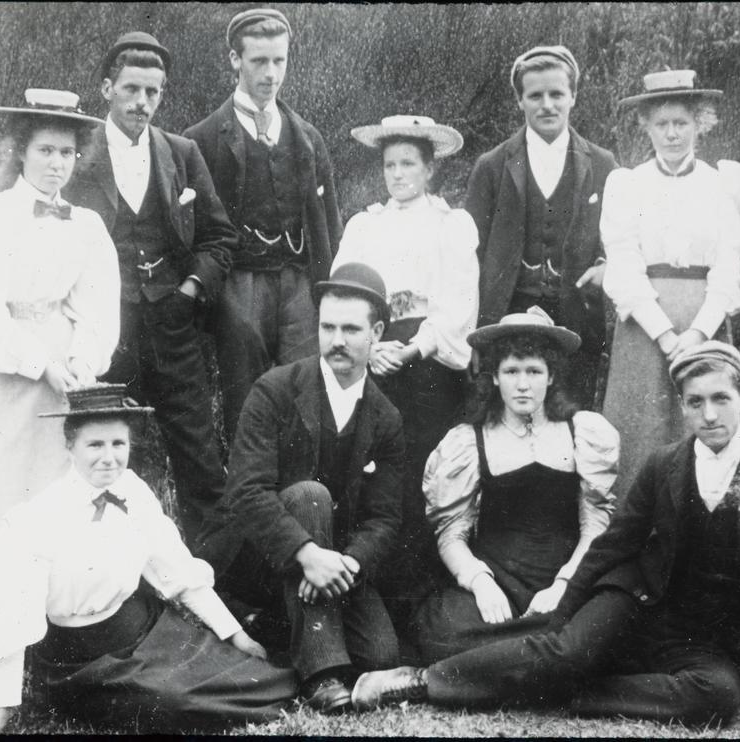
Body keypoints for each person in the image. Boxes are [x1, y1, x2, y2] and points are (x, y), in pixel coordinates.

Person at [351, 342, 740, 724]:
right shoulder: (666, 465)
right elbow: (615, 544)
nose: (709, 414)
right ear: (682, 407)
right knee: (562, 652)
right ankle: (422, 682)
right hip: (640, 600)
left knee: (716, 698)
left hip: (715, 633)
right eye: (695, 403)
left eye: (721, 398)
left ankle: (577, 696)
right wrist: (566, 610)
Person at [0, 89, 119, 700]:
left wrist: (82, 364)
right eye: (45, 150)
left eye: (67, 152)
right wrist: (37, 360)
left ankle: (28, 667)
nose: (57, 163)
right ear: (20, 152)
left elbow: (97, 311)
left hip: (59, 390)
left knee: (46, 513)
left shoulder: (86, 227)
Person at [0, 384, 297, 734]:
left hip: (145, 631)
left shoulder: (133, 490)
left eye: (118, 444)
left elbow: (177, 571)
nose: (109, 458)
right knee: (172, 703)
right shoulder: (37, 517)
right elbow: (12, 617)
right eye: (95, 445)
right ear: (69, 447)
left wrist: (235, 635)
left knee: (253, 674)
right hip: (77, 660)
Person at [194, 263, 404, 714]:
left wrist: (345, 563)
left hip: (335, 562)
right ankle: (322, 674)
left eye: (351, 329)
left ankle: (272, 626)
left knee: (380, 656)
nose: (337, 341)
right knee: (310, 495)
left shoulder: (385, 417)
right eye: (327, 327)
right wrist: (308, 555)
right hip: (259, 557)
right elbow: (247, 491)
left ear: (377, 332)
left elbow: (384, 517)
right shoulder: (275, 389)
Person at [64, 32, 238, 544]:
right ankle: (121, 590)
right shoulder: (78, 156)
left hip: (173, 327)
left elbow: (220, 237)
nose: (142, 103)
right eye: (132, 90)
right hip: (107, 339)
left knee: (202, 464)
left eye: (153, 93)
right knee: (107, 465)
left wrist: (188, 291)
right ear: (106, 88)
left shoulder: (180, 153)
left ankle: (219, 589)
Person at [335, 114, 479, 627]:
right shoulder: (365, 225)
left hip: (430, 364)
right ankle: (371, 593)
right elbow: (346, 294)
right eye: (390, 164)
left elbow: (459, 303)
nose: (398, 174)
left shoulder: (450, 224)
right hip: (375, 357)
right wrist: (369, 347)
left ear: (429, 169)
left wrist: (414, 348)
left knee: (423, 472)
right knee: (376, 473)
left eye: (409, 164)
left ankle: (423, 601)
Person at [413, 307, 619, 663]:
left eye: (534, 372)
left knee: (604, 620)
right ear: (494, 377)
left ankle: (497, 661)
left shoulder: (582, 431)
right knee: (444, 629)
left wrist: (563, 586)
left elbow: (595, 526)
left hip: (564, 581)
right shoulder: (469, 441)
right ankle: (547, 654)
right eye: (511, 371)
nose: (523, 384)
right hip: (498, 584)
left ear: (552, 376)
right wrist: (481, 584)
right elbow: (451, 534)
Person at [184, 7, 342, 442]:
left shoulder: (307, 137)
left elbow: (329, 224)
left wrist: (326, 287)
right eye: (259, 61)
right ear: (235, 60)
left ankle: (301, 495)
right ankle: (247, 496)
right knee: (246, 396)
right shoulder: (201, 139)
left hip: (297, 282)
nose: (271, 74)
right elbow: (192, 230)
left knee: (305, 388)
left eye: (279, 61)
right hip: (239, 282)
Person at [600, 69, 740, 497]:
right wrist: (665, 336)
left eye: (681, 123)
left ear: (699, 123)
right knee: (641, 434)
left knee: (703, 424)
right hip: (646, 327)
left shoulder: (721, 183)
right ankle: (637, 538)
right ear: (645, 125)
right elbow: (622, 263)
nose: (672, 134)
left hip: (704, 323)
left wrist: (698, 333)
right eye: (661, 124)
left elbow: (729, 265)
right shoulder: (627, 184)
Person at [466, 45, 618, 409]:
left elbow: (618, 238)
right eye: (535, 95)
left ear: (573, 97)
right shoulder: (492, 165)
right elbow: (469, 256)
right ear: (520, 101)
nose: (547, 105)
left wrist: (605, 266)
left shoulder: (601, 163)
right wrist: (472, 332)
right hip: (507, 314)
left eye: (557, 94)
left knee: (571, 415)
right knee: (507, 412)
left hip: (576, 318)